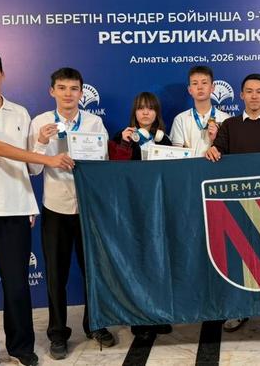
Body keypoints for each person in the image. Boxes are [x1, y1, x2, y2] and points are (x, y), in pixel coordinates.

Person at [0, 48, 74, 366]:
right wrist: (49, 158)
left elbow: (30, 168)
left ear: (2, 73)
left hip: (15, 211)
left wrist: (41, 143)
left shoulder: (20, 113)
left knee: (18, 286)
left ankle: (21, 348)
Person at [28, 67, 115, 360]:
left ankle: (95, 325)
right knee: (56, 275)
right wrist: (41, 142)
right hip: (56, 207)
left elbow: (104, 162)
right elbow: (33, 169)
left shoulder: (93, 122)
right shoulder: (40, 122)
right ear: (52, 91)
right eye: (62, 88)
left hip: (88, 207)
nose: (68, 94)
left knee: (94, 271)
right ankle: (57, 333)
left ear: (81, 92)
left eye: (74, 88)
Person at [206, 73, 260, 336]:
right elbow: (217, 152)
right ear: (241, 95)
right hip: (236, 205)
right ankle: (239, 309)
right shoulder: (229, 125)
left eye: (259, 91)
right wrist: (212, 149)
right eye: (249, 91)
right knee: (237, 258)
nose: (254, 96)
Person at [108, 91, 174, 340]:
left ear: (157, 113)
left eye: (150, 108)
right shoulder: (123, 137)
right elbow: (115, 171)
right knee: (136, 261)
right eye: (141, 108)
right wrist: (125, 144)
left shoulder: (164, 139)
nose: (146, 112)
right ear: (134, 112)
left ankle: (158, 314)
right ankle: (139, 317)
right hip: (132, 208)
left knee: (159, 261)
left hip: (159, 208)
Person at [170, 65, 231, 156]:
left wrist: (217, 139)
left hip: (217, 164)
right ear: (190, 90)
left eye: (204, 83)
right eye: (195, 83)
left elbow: (230, 151)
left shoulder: (226, 119)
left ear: (212, 87)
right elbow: (176, 154)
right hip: (190, 165)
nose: (200, 87)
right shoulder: (180, 119)